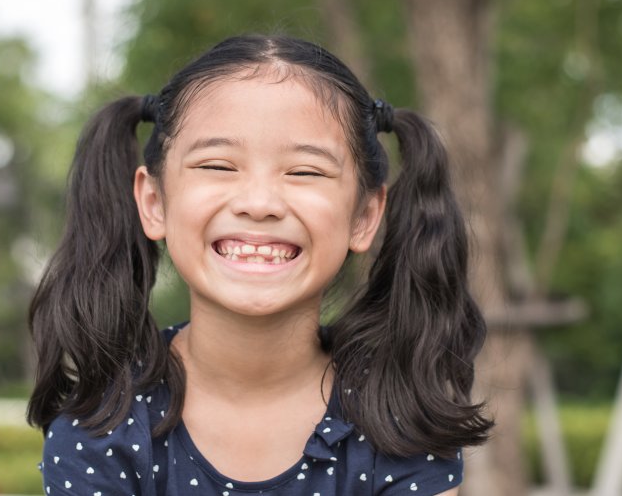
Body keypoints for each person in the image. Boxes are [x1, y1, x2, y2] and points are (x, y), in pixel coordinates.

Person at [27, 34, 492, 495]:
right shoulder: (102, 426)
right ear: (154, 202)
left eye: (304, 172)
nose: (260, 202)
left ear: (365, 215)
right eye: (217, 166)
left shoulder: (398, 420)